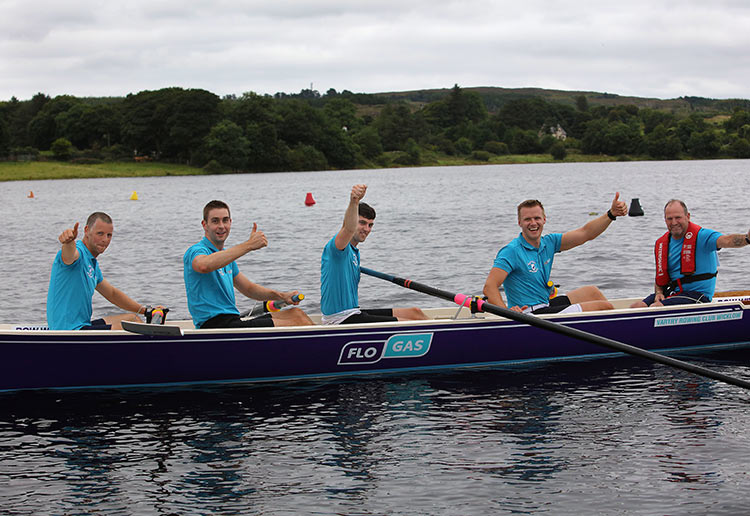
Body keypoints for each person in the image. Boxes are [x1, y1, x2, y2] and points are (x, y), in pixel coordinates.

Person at [483, 194, 628, 314]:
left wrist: (611, 214)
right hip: (528, 315)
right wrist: (507, 313)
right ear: (519, 222)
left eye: (537, 218)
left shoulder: (549, 242)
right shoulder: (512, 251)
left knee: (592, 292)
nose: (533, 223)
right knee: (604, 307)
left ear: (544, 219)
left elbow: (585, 233)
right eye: (527, 219)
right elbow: (489, 287)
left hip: (545, 305)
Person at [184, 200, 313, 329]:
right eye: (215, 221)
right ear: (204, 225)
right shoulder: (196, 251)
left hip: (232, 320)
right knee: (298, 324)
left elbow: (249, 289)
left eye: (225, 220)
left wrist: (282, 296)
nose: (221, 226)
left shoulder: (226, 258)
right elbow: (204, 266)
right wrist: (249, 245)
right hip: (214, 325)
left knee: (297, 314)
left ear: (230, 222)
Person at [320, 184, 428, 324]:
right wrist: (354, 201)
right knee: (409, 324)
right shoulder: (337, 248)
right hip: (340, 320)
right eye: (362, 223)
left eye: (370, 225)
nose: (366, 229)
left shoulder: (354, 252)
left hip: (354, 312)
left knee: (415, 313)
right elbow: (348, 228)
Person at [631, 199, 750, 307]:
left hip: (698, 296)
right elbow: (660, 278)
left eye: (678, 217)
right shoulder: (662, 243)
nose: (674, 222)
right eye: (669, 219)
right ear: (665, 219)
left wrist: (747, 239)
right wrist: (659, 292)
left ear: (687, 216)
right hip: (674, 292)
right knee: (636, 307)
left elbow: (727, 240)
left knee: (656, 308)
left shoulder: (702, 236)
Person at [46, 212, 154, 330]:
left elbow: (112, 294)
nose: (105, 240)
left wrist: (145, 311)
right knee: (132, 329)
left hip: (83, 325)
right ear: (87, 230)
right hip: (69, 331)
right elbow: (69, 255)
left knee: (133, 319)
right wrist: (68, 242)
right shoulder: (79, 253)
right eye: (100, 234)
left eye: (109, 235)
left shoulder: (92, 263)